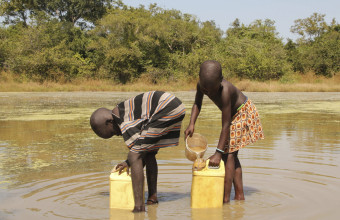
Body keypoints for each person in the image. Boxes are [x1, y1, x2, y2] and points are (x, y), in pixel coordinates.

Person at [90, 91, 185, 212]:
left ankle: (139, 207)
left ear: (109, 122)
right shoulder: (121, 112)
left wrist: (131, 160)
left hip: (166, 107)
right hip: (173, 105)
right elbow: (143, 149)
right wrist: (128, 162)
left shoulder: (122, 119)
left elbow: (136, 154)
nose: (118, 134)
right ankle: (152, 198)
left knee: (134, 155)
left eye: (114, 133)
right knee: (148, 153)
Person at [184, 60, 264, 203]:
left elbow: (226, 125)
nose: (207, 92)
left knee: (228, 155)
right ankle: (239, 195)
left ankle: (225, 200)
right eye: (204, 88)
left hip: (243, 112)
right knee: (231, 154)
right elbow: (198, 103)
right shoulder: (201, 85)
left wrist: (218, 153)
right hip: (233, 115)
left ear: (220, 81)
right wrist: (191, 123)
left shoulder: (225, 91)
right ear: (200, 79)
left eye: (210, 89)